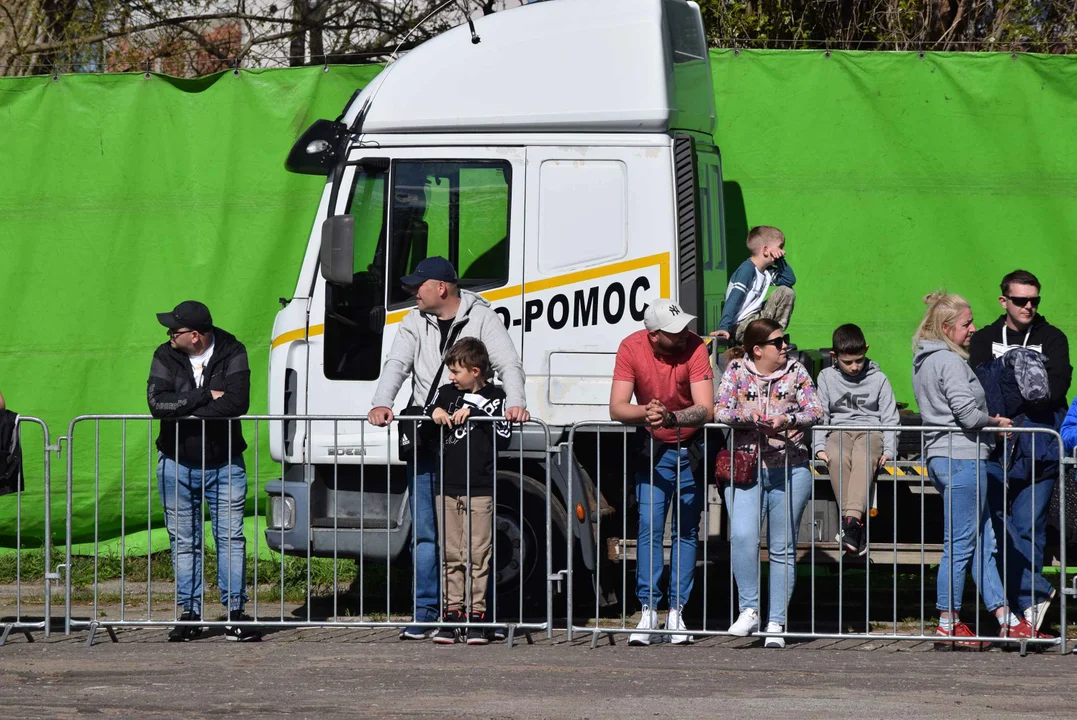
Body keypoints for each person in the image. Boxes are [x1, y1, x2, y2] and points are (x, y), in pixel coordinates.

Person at [367, 256, 528, 640]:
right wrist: (381, 401)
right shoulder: (412, 321)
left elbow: (508, 363)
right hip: (429, 438)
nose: (411, 292)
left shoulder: (483, 317)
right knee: (427, 534)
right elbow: (396, 365)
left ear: (441, 287)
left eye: (417, 286)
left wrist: (516, 402)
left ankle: (473, 616)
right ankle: (426, 613)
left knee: (474, 543)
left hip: (468, 448)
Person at [911, 290, 1041, 649]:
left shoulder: (923, 360)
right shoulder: (950, 363)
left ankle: (1005, 618)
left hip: (943, 457)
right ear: (946, 327)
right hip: (962, 458)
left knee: (983, 541)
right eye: (966, 324)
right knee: (961, 545)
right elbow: (967, 415)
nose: (972, 330)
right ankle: (947, 621)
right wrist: (997, 421)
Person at [147, 300, 260, 642]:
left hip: (225, 463)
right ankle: (189, 613)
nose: (169, 335)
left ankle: (235, 613)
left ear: (194, 336)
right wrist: (205, 395)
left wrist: (186, 408)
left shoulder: (232, 350)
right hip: (176, 462)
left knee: (230, 539)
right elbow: (157, 405)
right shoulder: (165, 354)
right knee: (184, 541)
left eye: (175, 330)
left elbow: (237, 403)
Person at [968, 269, 1072, 632]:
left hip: (1039, 450)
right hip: (995, 450)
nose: (1029, 306)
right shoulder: (983, 339)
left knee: (1030, 529)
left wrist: (1006, 389)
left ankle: (1027, 609)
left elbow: (1054, 390)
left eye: (1035, 300)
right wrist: (1019, 390)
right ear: (1004, 301)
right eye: (1021, 300)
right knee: (997, 527)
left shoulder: (1053, 338)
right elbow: (977, 386)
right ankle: (1018, 601)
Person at [609, 299, 714, 646]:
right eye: (673, 331)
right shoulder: (631, 347)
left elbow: (706, 408)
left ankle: (677, 612)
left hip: (691, 449)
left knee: (686, 531)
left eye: (684, 326)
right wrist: (647, 413)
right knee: (650, 528)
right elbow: (617, 408)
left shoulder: (696, 345)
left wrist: (670, 417)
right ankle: (648, 610)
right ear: (653, 336)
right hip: (652, 449)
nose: (683, 334)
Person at [714, 318, 822, 649]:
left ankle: (776, 621)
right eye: (778, 342)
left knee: (782, 547)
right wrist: (747, 418)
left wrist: (786, 419)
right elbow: (719, 410)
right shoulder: (735, 370)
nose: (785, 346)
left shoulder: (797, 371)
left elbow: (816, 410)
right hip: (745, 468)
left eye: (785, 340)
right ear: (758, 349)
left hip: (791, 468)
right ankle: (749, 610)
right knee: (743, 537)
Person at [424, 338, 511, 645]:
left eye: (456, 371)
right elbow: (424, 416)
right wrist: (433, 413)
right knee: (450, 554)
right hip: (446, 486)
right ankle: (451, 616)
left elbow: (505, 436)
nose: (451, 377)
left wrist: (477, 414)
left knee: (478, 555)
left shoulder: (496, 396)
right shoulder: (447, 394)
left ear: (475, 371)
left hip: (481, 488)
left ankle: (477, 615)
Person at [813, 324, 900, 556]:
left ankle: (850, 523)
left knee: (863, 457)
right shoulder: (826, 377)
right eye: (847, 362)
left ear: (867, 349)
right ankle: (854, 526)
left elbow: (890, 417)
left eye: (859, 360)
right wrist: (819, 446)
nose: (854, 367)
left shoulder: (879, 379)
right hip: (838, 431)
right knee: (837, 457)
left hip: (870, 431)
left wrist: (890, 449)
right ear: (834, 356)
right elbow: (821, 414)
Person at [710, 226, 795, 344]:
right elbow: (733, 300)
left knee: (786, 292)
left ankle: (776, 337)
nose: (783, 251)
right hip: (742, 327)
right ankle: (772, 340)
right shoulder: (747, 270)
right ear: (765, 250)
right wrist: (724, 327)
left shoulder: (766, 272)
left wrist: (780, 260)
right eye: (780, 248)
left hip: (756, 320)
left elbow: (789, 280)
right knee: (786, 291)